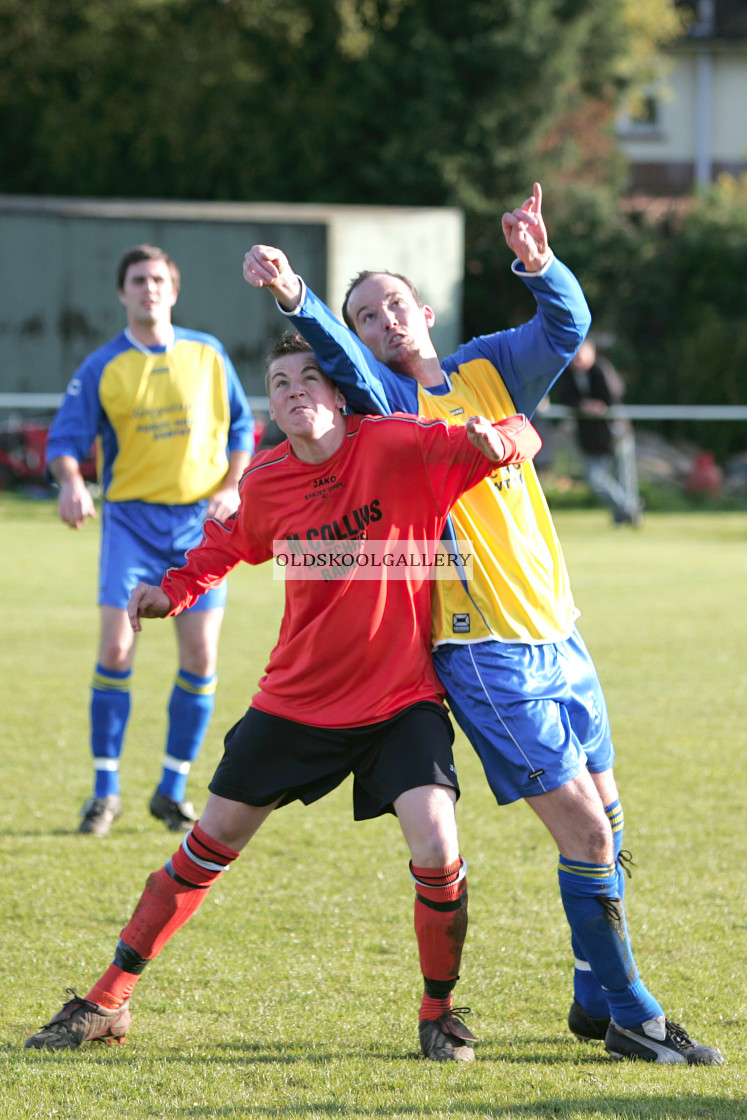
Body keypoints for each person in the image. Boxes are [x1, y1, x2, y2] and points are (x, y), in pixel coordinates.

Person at [240, 183, 724, 1066]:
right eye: (366, 315)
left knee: (609, 829)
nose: (383, 321)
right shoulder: (381, 402)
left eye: (392, 304)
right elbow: (341, 358)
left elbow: (565, 328)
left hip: (560, 636)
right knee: (582, 831)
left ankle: (590, 993)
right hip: (486, 655)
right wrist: (297, 299)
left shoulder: (491, 366)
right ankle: (633, 1014)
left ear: (422, 309)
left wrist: (538, 263)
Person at [25, 333, 543, 1062]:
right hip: (295, 701)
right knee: (204, 847)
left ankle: (439, 1013)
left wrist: (502, 442)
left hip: (399, 701)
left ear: (336, 393)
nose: (294, 387)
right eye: (279, 380)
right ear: (273, 405)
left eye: (309, 376)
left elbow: (520, 428)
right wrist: (168, 594)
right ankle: (107, 999)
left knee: (437, 846)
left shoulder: (397, 443)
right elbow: (221, 548)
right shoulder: (267, 481)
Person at [45, 245, 254, 835]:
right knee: (116, 652)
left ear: (174, 289)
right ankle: (105, 792)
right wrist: (70, 483)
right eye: (138, 280)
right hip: (131, 526)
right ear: (123, 293)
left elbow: (242, 428)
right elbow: (63, 441)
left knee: (201, 657)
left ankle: (172, 788)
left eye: (159, 279)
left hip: (198, 529)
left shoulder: (208, 354)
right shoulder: (103, 366)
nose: (149, 289)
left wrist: (234, 484)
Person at [553, 337, 642, 526]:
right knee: (596, 480)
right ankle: (629, 509)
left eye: (581, 354)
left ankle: (624, 515)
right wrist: (583, 406)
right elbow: (564, 398)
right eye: (574, 355)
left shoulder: (602, 369)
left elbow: (615, 392)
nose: (577, 359)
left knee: (626, 480)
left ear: (592, 353)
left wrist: (598, 406)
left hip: (617, 434)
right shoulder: (567, 374)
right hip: (589, 438)